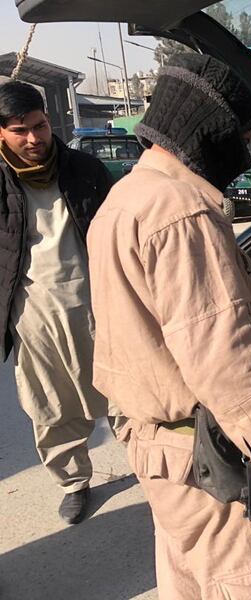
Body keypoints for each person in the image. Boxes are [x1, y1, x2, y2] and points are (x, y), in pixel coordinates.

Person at [87, 54, 251, 599]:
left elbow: (157, 319)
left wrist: (248, 307)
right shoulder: (183, 213)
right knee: (249, 584)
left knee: (191, 583)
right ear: (208, 131)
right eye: (243, 135)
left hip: (158, 452)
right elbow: (227, 367)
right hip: (210, 463)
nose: (244, 153)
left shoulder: (127, 196)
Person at [0, 80, 123, 524]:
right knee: (52, 404)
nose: (34, 138)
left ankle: (155, 468)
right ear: (1, 134)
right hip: (33, 312)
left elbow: (119, 232)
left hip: (101, 303)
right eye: (20, 131)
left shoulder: (85, 169)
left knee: (128, 392)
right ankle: (74, 481)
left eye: (40, 126)